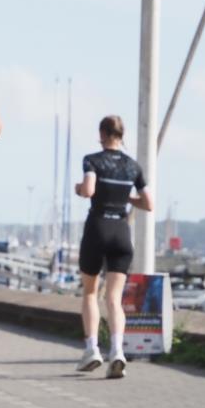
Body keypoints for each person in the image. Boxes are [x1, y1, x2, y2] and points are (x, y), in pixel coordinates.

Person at [74, 115, 153, 378]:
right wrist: (124, 196)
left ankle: (91, 349)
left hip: (98, 227)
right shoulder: (133, 167)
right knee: (114, 299)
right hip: (121, 231)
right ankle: (117, 350)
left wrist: (79, 189)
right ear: (122, 134)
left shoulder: (92, 160)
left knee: (89, 293)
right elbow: (148, 203)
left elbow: (89, 190)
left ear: (102, 133)